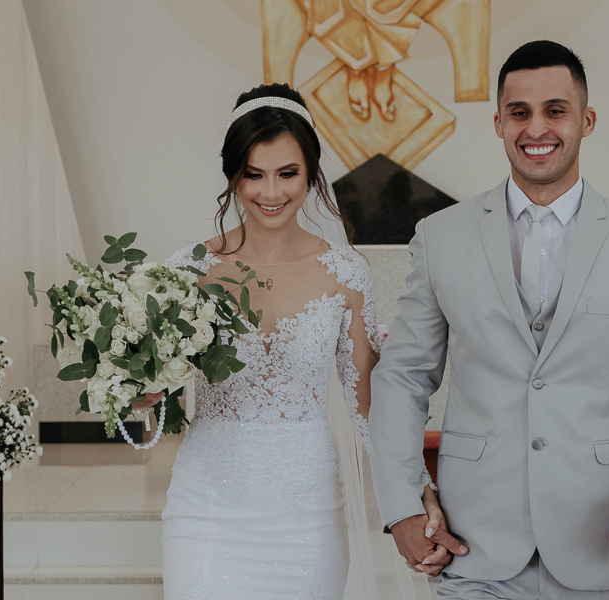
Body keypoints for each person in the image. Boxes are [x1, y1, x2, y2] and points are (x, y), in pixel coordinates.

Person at [369, 40, 609, 599]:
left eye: (555, 111)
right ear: (499, 122)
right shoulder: (441, 238)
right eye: (519, 112)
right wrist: (401, 503)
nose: (537, 128)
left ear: (587, 119)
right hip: (473, 549)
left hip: (603, 545)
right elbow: (402, 377)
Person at [135, 83, 444, 599]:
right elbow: (151, 384)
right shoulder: (188, 271)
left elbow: (366, 407)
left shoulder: (346, 273)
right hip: (207, 506)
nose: (270, 192)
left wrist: (416, 492)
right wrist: (140, 391)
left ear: (311, 173)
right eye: (253, 175)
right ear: (233, 175)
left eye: (287, 174)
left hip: (307, 512)